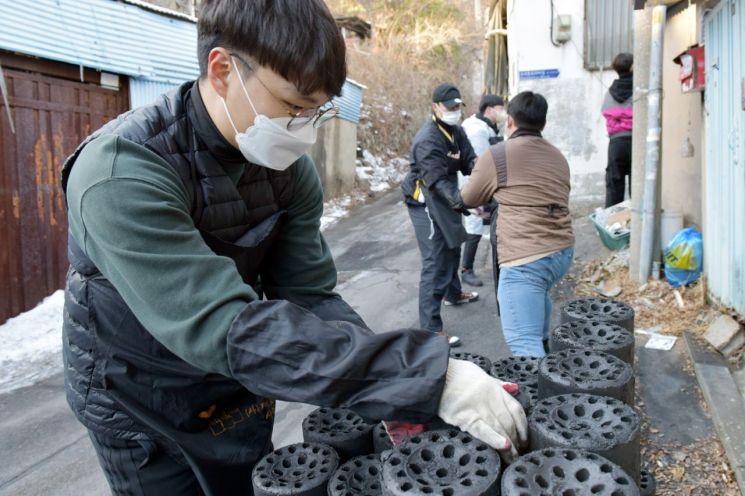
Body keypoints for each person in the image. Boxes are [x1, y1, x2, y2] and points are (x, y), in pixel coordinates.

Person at [60, 1, 526, 493]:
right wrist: (426, 377)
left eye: (318, 110)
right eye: (294, 106)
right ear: (223, 71)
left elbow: (308, 294)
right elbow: (220, 326)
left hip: (237, 382)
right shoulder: (121, 173)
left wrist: (394, 390)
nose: (305, 128)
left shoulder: (287, 170)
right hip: (143, 398)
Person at [461, 91, 574, 357]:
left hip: (527, 258)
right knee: (539, 295)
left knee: (523, 343)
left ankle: (541, 394)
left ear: (509, 121)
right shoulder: (558, 156)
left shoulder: (498, 154)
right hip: (562, 251)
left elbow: (468, 197)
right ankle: (545, 349)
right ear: (542, 124)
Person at [401, 83, 480, 348]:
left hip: (445, 196)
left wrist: (483, 180)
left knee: (454, 242)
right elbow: (435, 181)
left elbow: (470, 161)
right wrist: (465, 202)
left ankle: (454, 294)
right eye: (450, 107)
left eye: (458, 107)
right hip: (424, 198)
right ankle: (431, 329)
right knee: (435, 259)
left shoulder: (456, 131)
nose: (455, 111)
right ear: (435, 107)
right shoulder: (427, 139)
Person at [460, 94, 506, 287]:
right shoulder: (476, 130)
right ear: (489, 109)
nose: (502, 113)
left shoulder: (487, 125)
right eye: (500, 109)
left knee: (481, 225)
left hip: (484, 182)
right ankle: (466, 270)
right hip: (474, 183)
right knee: (474, 226)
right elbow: (481, 164)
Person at [602, 52, 634, 207]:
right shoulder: (639, 88)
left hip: (615, 143)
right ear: (633, 67)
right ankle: (639, 224)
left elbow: (605, 112)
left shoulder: (610, 92)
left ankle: (613, 224)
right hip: (636, 140)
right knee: (638, 185)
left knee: (614, 185)